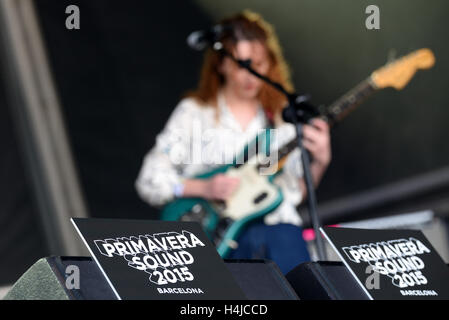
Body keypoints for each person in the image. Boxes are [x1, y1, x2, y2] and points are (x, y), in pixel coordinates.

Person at [136, 10, 331, 274]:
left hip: (277, 239)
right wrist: (203, 187)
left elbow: (292, 192)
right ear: (221, 64)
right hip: (216, 240)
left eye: (259, 65)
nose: (251, 75)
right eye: (243, 65)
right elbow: (150, 179)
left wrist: (319, 162)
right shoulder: (194, 113)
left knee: (285, 239)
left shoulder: (282, 119)